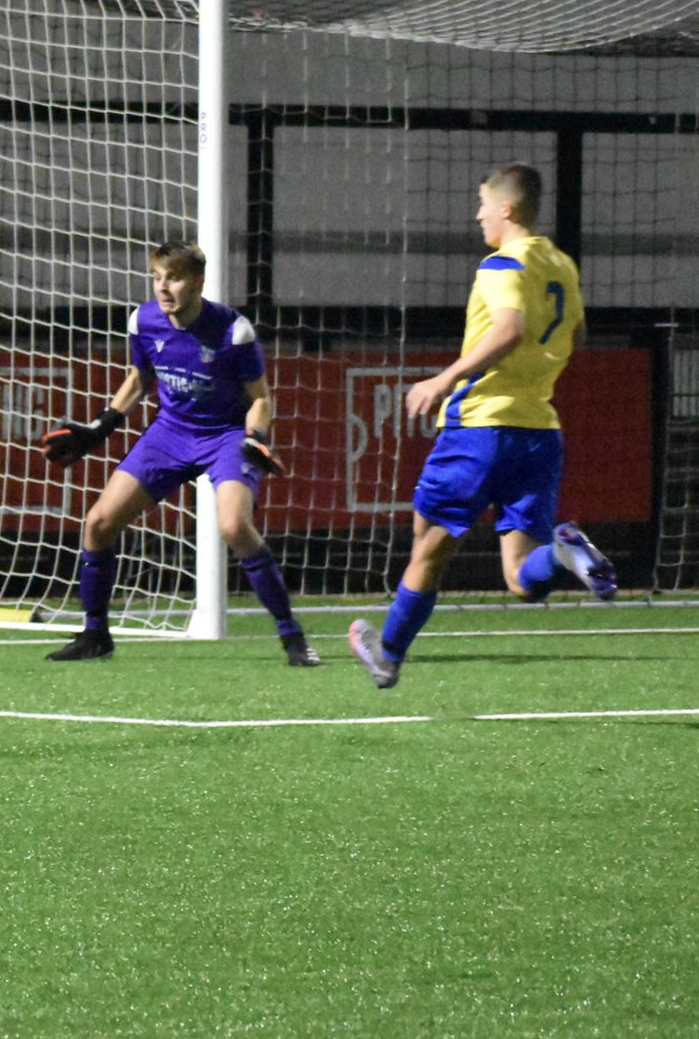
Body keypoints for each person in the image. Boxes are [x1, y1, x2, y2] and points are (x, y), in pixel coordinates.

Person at [347, 163, 614, 689]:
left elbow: (510, 329)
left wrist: (443, 378)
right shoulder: (560, 263)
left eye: (482, 204)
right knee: (520, 577)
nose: (478, 215)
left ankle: (390, 655)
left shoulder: (500, 264)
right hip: (539, 430)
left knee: (430, 544)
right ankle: (562, 553)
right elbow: (576, 331)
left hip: (480, 428)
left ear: (506, 209)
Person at [37, 241, 320, 666]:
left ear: (198, 282)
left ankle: (293, 636)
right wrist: (101, 425)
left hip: (226, 436)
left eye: (174, 278)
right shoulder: (143, 321)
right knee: (97, 523)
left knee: (234, 528)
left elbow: (262, 398)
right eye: (157, 278)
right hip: (170, 433)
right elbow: (139, 379)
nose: (163, 288)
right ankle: (95, 635)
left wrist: (255, 436)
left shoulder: (233, 331)